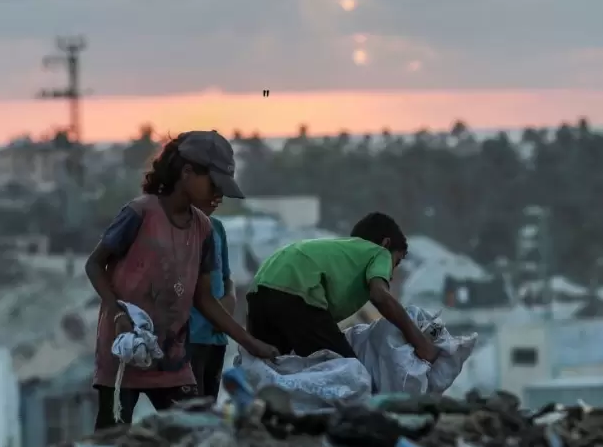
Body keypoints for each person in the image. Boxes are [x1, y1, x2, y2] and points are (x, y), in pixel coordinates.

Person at [85, 130, 277, 430]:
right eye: (213, 183)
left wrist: (250, 342)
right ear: (187, 172)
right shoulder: (140, 213)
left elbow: (204, 299)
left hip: (172, 359)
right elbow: (95, 265)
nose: (218, 194)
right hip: (125, 351)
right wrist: (118, 313)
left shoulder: (204, 230)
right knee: (111, 435)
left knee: (196, 430)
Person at [245, 211, 439, 365]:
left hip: (261, 285)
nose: (391, 274)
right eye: (396, 262)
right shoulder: (379, 252)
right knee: (348, 373)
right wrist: (421, 343)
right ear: (386, 243)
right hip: (299, 290)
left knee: (272, 367)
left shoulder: (342, 250)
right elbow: (380, 296)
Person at [188, 192, 235, 400]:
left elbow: (226, 277)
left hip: (216, 337)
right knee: (191, 405)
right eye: (212, 191)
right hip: (190, 338)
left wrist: (230, 299)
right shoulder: (178, 231)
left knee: (208, 403)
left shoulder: (217, 227)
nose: (218, 199)